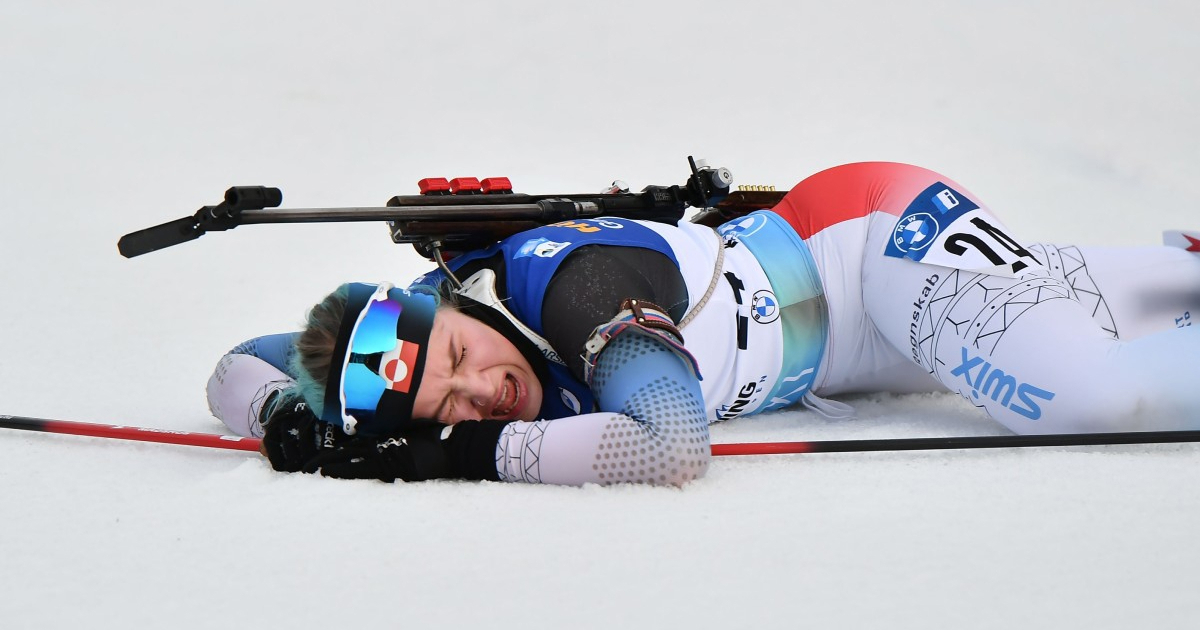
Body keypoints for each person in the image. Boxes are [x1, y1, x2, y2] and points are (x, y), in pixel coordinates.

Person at [205, 162, 1200, 486]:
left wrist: (445, 452)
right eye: (445, 404)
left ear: (458, 303)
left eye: (463, 357)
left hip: (868, 251)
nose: (481, 392)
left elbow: (673, 444)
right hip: (866, 340)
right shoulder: (420, 336)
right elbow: (241, 364)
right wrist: (291, 420)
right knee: (1150, 299)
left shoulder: (573, 292)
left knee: (1096, 400)